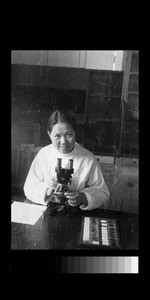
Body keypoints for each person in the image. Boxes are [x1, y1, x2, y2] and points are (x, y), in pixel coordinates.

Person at [23, 110, 110, 210]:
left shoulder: (88, 159)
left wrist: (84, 197)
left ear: (75, 132)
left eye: (68, 135)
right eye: (57, 136)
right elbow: (29, 187)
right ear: (49, 135)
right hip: (48, 209)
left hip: (76, 212)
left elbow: (103, 192)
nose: (63, 142)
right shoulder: (44, 154)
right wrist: (46, 192)